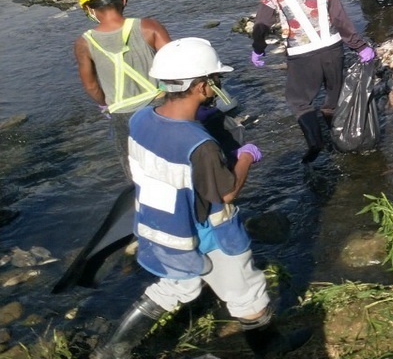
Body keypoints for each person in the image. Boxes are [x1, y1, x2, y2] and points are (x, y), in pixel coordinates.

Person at [94, 38, 310, 359]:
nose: (217, 85)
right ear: (199, 85)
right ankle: (271, 347)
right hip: (208, 231)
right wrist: (246, 155)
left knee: (173, 287)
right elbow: (226, 192)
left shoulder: (140, 118)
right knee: (246, 289)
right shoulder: (200, 144)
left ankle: (111, 352)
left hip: (162, 226)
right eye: (215, 80)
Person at [250, 0, 374, 163]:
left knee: (299, 101)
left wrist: (258, 49)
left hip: (301, 53)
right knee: (332, 96)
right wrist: (360, 46)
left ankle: (316, 141)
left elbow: (262, 23)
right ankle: (340, 139)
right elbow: (340, 19)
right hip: (333, 48)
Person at [74, 0, 171, 171]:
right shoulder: (149, 26)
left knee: (136, 167)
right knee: (172, 159)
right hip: (161, 104)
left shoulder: (84, 43)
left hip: (122, 112)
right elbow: (174, 62)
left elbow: (91, 85)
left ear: (89, 10)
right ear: (123, 0)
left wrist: (105, 103)